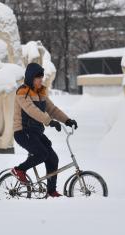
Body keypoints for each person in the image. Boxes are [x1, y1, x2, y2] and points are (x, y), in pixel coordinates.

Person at [11, 63, 78, 198]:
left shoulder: (41, 93)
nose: (41, 80)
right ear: (31, 78)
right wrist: (49, 121)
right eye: (38, 77)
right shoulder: (22, 92)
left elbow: (52, 109)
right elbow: (31, 110)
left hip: (35, 132)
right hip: (23, 132)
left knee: (53, 158)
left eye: (41, 77)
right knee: (42, 154)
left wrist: (67, 120)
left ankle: (51, 191)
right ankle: (19, 170)